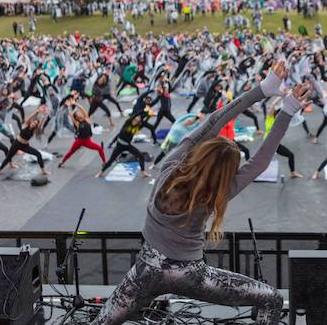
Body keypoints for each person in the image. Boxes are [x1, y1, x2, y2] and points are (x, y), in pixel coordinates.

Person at [91, 62, 308, 325]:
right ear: (226, 173)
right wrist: (287, 111)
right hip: (192, 276)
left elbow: (214, 120)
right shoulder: (217, 193)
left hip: (145, 271)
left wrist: (262, 89)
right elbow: (260, 163)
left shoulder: (170, 166)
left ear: (203, 151)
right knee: (271, 299)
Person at [0, 106, 50, 176]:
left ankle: (43, 170)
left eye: (35, 124)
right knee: (8, 157)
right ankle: (0, 170)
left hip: (25, 146)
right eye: (33, 122)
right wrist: (37, 112)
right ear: (31, 122)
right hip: (16, 143)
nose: (34, 124)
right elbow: (30, 118)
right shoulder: (26, 124)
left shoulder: (34, 130)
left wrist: (44, 116)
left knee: (38, 154)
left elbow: (40, 125)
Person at [58, 101, 106, 168]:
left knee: (100, 149)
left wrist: (75, 103)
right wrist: (68, 107)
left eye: (80, 113)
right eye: (78, 114)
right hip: (79, 141)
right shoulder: (77, 123)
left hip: (87, 141)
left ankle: (104, 163)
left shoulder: (87, 119)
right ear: (77, 117)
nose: (80, 114)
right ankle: (62, 162)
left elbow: (82, 109)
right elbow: (71, 115)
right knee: (71, 152)